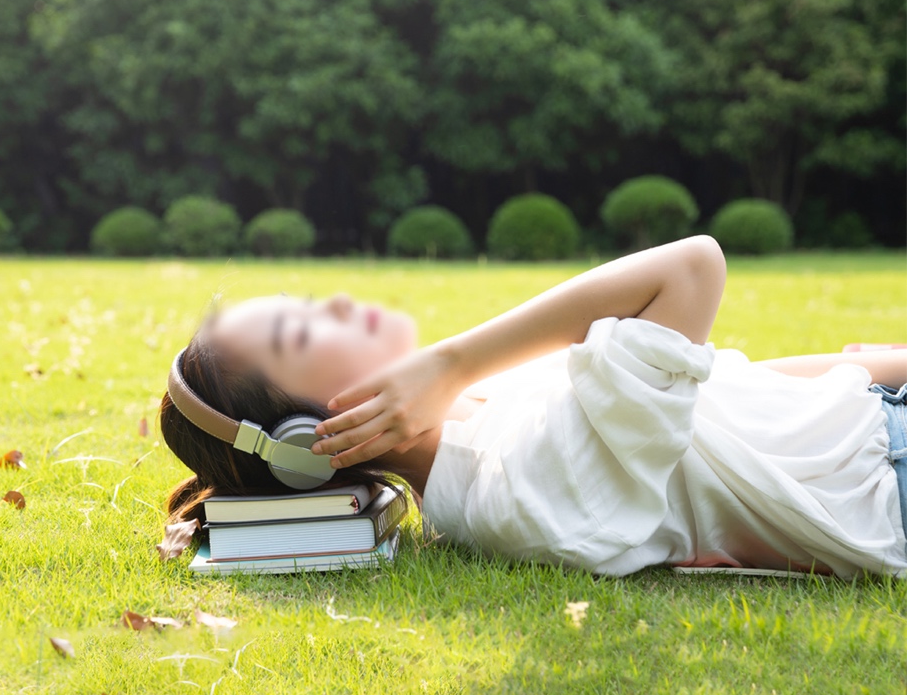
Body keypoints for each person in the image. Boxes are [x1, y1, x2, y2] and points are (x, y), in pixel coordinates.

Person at [159, 236, 907, 578]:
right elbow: (691, 266)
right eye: (304, 330)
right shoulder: (516, 480)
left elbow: (706, 403)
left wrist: (856, 366)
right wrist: (451, 360)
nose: (341, 305)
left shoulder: (481, 425)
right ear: (310, 439)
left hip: (870, 412)